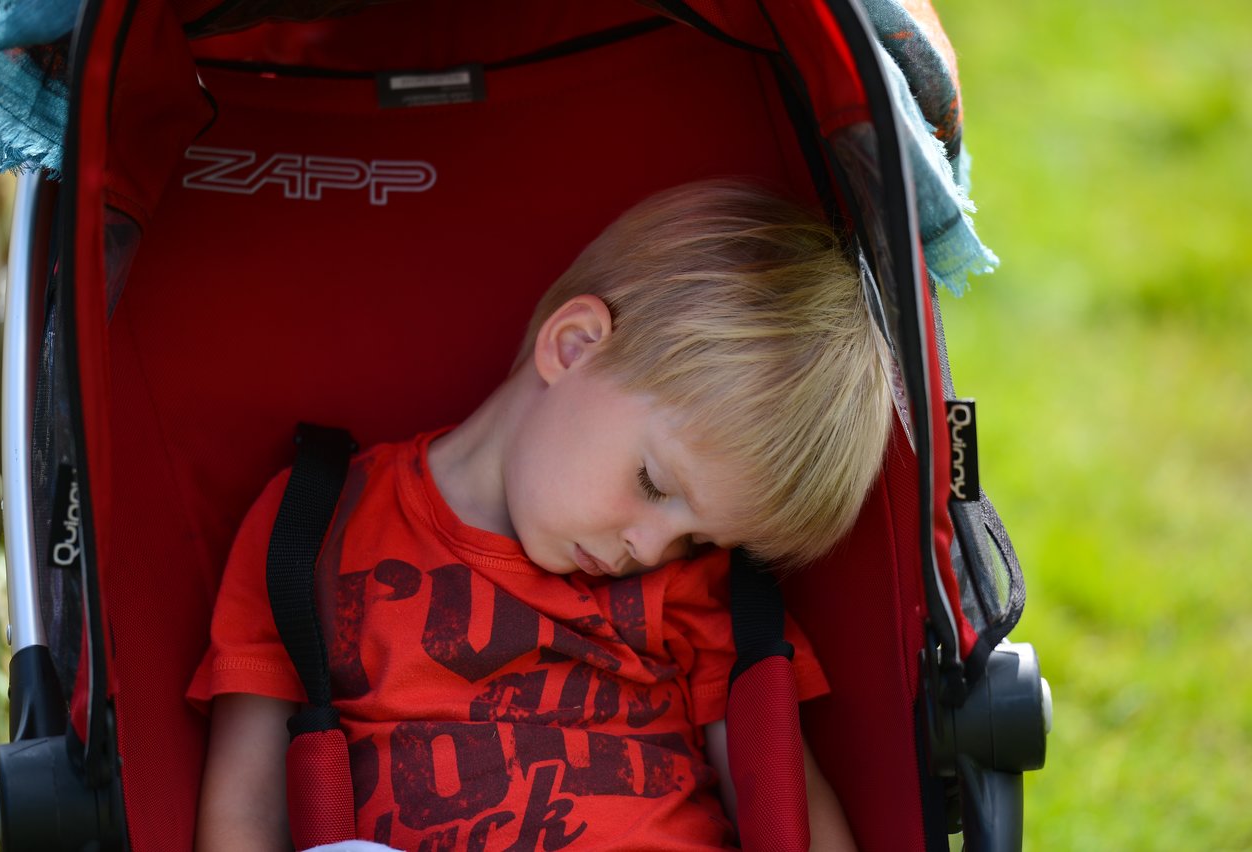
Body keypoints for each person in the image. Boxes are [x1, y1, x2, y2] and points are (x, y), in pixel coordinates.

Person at [190, 179, 892, 852]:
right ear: (573, 346)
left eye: (698, 538)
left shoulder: (696, 592)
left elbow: (785, 798)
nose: (648, 548)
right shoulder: (316, 526)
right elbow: (246, 810)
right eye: (652, 484)